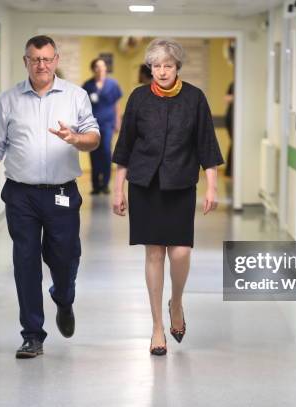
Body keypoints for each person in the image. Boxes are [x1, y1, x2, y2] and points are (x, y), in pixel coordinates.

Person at [0, 35, 100, 359]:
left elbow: (94, 138)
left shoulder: (75, 96)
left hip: (61, 193)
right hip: (21, 194)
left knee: (65, 257)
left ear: (56, 60)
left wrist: (76, 138)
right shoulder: (9, 99)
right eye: (34, 59)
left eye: (47, 59)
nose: (41, 65)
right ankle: (32, 335)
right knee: (25, 262)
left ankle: (63, 296)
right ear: (26, 61)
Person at [111, 38, 224, 356]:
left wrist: (212, 187)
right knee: (154, 255)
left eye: (168, 66)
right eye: (156, 66)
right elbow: (126, 146)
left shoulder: (194, 98)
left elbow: (207, 145)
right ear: (150, 68)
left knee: (180, 253)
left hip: (180, 185)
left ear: (177, 68)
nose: (161, 72)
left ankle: (177, 301)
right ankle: (157, 326)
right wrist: (118, 188)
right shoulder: (138, 98)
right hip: (145, 185)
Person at [82, 58, 123, 195]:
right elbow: (83, 106)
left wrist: (117, 121)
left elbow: (116, 104)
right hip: (91, 124)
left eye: (103, 66)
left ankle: (105, 183)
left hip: (108, 123)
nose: (100, 69)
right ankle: (95, 185)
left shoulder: (113, 84)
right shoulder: (88, 85)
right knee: (93, 152)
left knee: (105, 151)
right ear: (93, 69)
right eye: (97, 67)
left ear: (106, 68)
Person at [224, 82, 234, 177]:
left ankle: (231, 170)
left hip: (237, 119)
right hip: (231, 118)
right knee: (234, 143)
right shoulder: (233, 85)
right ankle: (229, 171)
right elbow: (226, 98)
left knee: (234, 144)